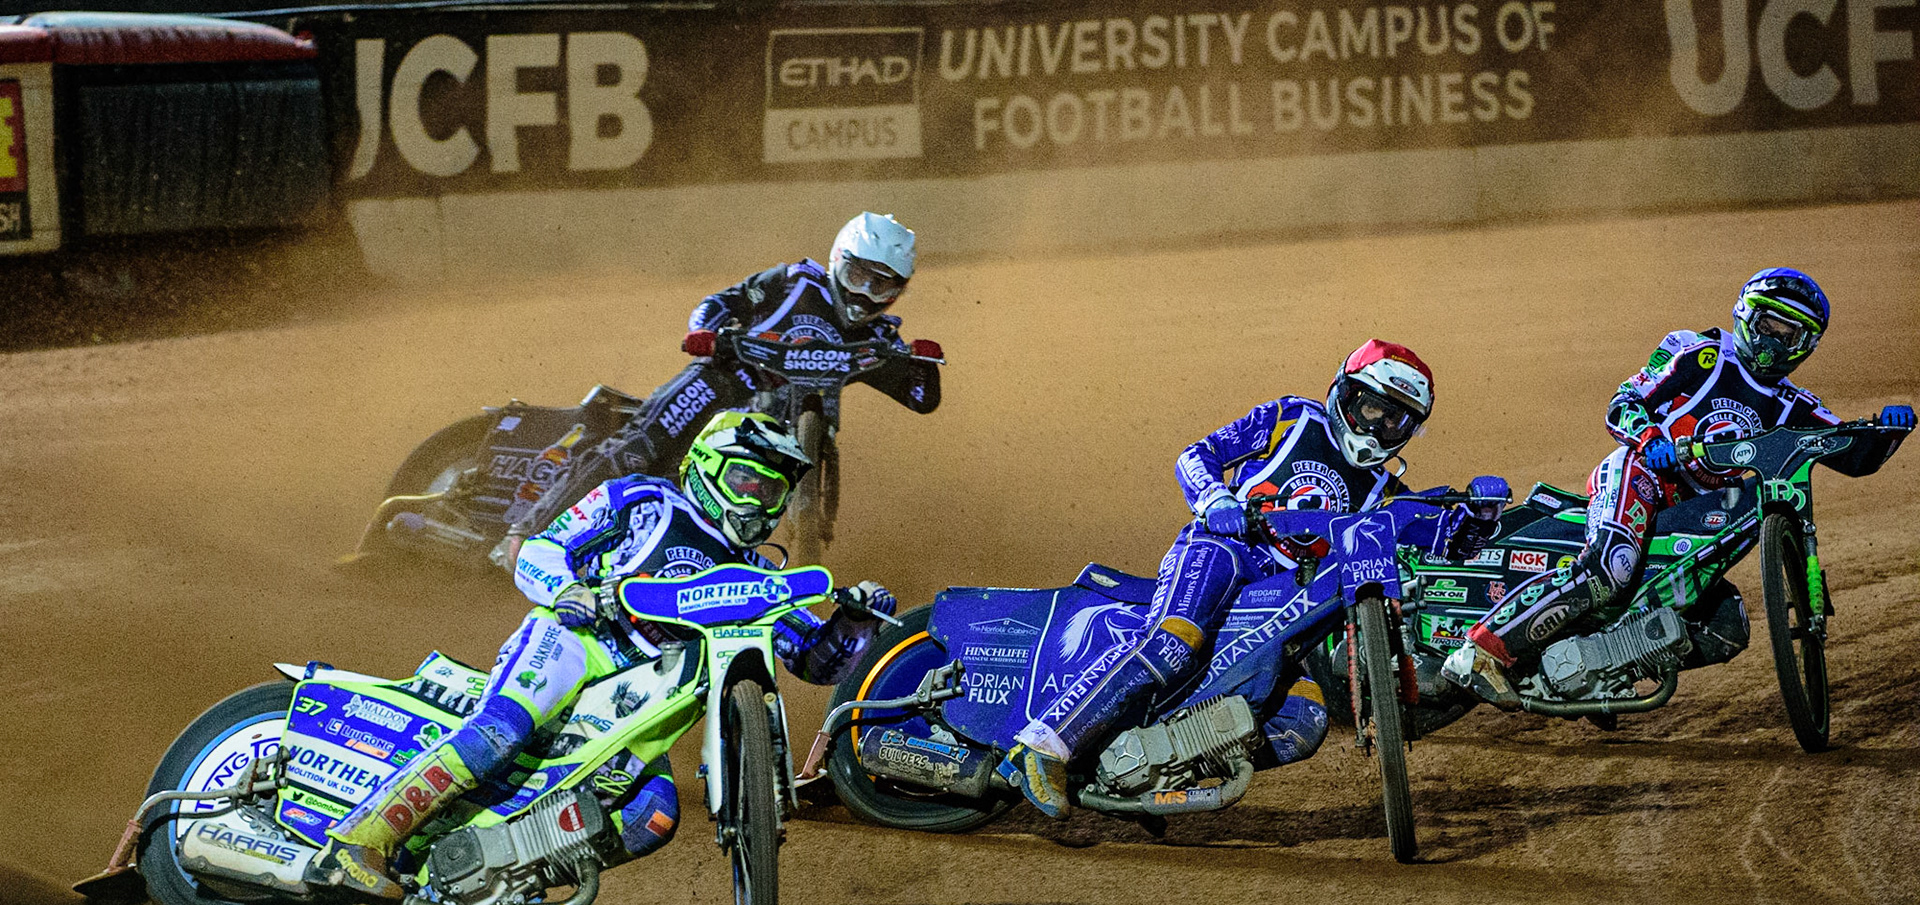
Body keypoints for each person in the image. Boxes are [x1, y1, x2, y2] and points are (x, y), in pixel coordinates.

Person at [315, 411, 897, 899]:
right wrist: (567, 591)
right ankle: (358, 840)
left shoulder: (762, 576)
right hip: (579, 642)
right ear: (709, 469)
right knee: (502, 731)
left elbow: (818, 664)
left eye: (772, 490)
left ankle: (500, 875)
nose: (758, 500)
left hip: (645, 696)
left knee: (655, 816)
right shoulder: (645, 500)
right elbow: (540, 550)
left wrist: (855, 619)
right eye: (748, 481)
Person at [999, 340, 1506, 818]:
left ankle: (1160, 769)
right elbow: (1196, 456)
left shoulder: (1388, 491)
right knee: (1175, 641)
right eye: (1372, 408)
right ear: (1344, 393)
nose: (1378, 429)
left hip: (1279, 598)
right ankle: (1042, 746)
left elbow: (1448, 543)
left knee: (1303, 721)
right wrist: (1216, 501)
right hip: (1222, 551)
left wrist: (1481, 517)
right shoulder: (1290, 416)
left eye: (1396, 421)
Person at [1442, 268, 1917, 704]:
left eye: (1789, 334)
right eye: (1771, 324)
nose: (1775, 340)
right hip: (1641, 475)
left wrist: (1889, 433)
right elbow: (1623, 401)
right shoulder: (1700, 352)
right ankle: (1482, 649)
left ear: (1806, 344)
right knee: (1610, 567)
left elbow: (1853, 456)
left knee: (1727, 626)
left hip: (1700, 513)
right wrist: (1651, 439)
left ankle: (1599, 670)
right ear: (1748, 316)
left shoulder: (1796, 405)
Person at [629, 211, 942, 478]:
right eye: (857, 275)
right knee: (635, 452)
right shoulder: (794, 282)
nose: (864, 293)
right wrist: (705, 332)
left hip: (773, 436)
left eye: (881, 285)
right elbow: (723, 302)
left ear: (897, 292)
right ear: (836, 259)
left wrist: (924, 365)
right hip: (722, 381)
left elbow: (920, 400)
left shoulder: (877, 339)